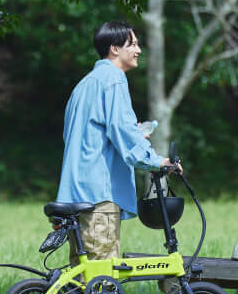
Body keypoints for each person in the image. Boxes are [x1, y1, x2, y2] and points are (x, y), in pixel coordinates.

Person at [57, 21, 180, 267]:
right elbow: (123, 132)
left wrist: (129, 134)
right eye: (132, 44)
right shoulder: (113, 79)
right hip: (98, 195)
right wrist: (158, 162)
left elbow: (89, 135)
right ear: (114, 49)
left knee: (83, 277)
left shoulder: (84, 84)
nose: (139, 50)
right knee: (102, 276)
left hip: (76, 192)